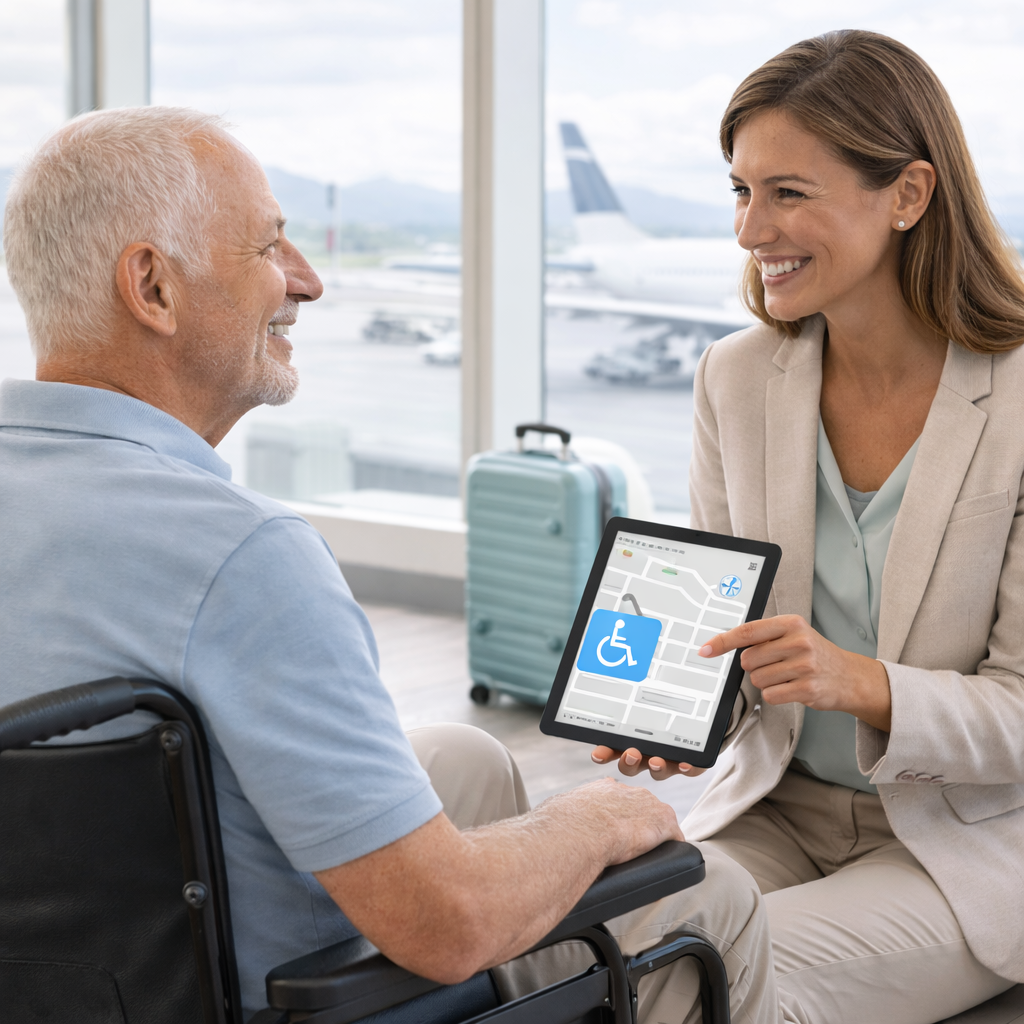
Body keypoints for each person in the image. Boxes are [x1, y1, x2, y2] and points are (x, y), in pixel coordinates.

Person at [0, 107, 778, 1023]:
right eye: (270, 247)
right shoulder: (242, 558)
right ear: (153, 288)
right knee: (712, 891)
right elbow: (445, 928)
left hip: (67, 979)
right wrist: (598, 816)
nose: (309, 281)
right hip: (295, 1003)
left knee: (461, 758)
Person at [587, 29, 1024, 1023]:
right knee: (598, 948)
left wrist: (860, 684)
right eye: (739, 191)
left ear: (908, 196)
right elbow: (733, 637)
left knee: (715, 975)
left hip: (964, 842)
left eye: (787, 192)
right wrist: (680, 712)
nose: (749, 230)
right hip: (774, 810)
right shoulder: (736, 378)